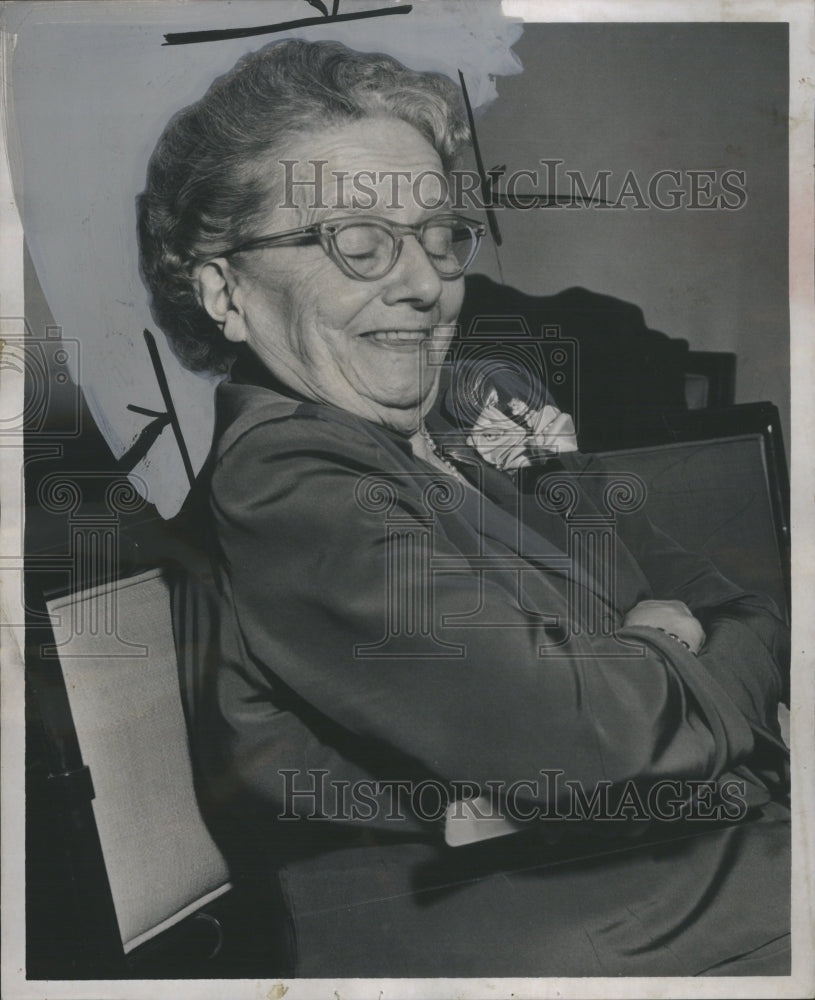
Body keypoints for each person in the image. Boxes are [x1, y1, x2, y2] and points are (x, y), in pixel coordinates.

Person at [137, 38, 790, 977]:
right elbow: (590, 745)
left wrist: (654, 658)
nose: (421, 281)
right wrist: (670, 644)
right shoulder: (284, 483)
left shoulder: (468, 412)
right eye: (354, 241)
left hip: (676, 866)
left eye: (438, 234)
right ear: (223, 288)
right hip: (551, 932)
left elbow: (751, 609)